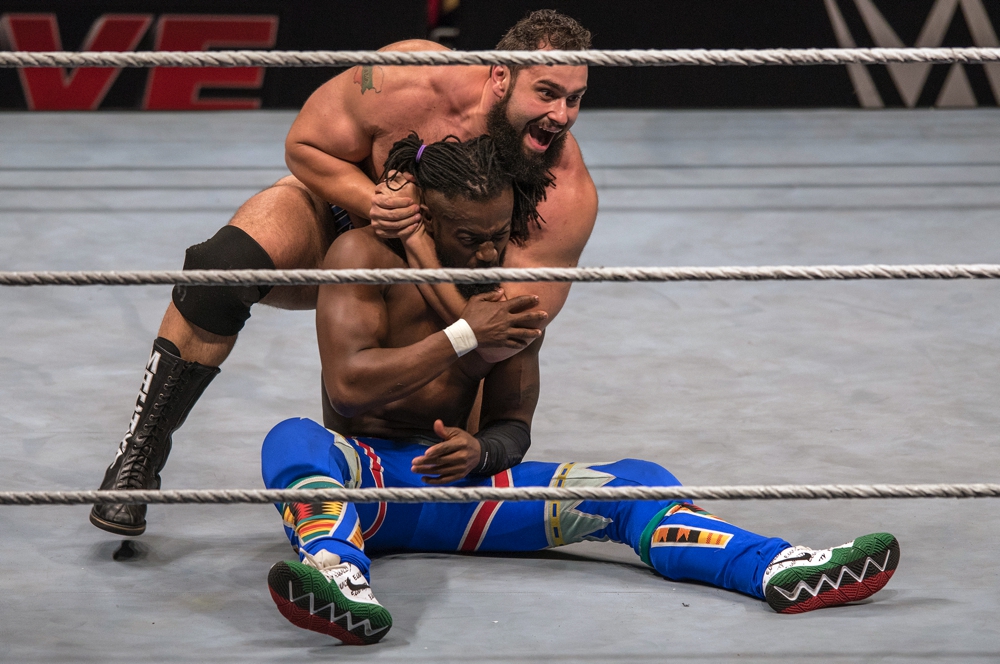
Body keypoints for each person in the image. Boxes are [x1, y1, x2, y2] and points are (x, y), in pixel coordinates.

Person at [261, 134, 900, 645]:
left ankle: (774, 567)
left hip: (459, 495)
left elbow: (513, 425)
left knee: (637, 482)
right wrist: (463, 335)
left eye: (498, 236)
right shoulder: (362, 255)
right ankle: (336, 572)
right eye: (470, 240)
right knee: (292, 440)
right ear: (425, 219)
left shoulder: (508, 299)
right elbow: (349, 389)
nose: (486, 255)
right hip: (364, 485)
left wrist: (480, 452)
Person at [90, 9, 599, 536]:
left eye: (575, 98)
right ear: (501, 76)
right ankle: (139, 458)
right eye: (546, 93)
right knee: (219, 271)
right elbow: (303, 146)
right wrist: (374, 199)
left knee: (443, 439)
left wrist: (417, 242)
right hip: (350, 225)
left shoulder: (564, 194)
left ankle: (394, 491)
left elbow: (504, 335)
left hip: (452, 288)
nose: (560, 115)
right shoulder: (411, 78)